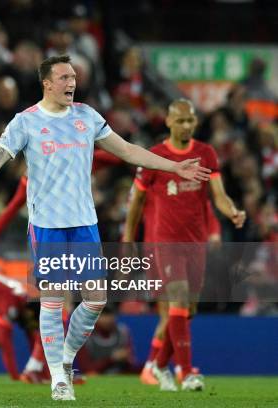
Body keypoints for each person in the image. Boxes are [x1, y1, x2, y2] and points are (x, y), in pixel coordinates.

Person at [0, 55, 211, 401]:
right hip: (47, 227)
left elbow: (127, 150)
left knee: (96, 300)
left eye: (74, 77)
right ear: (47, 83)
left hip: (85, 225)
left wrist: (174, 167)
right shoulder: (26, 122)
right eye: (64, 77)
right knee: (52, 302)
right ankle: (57, 378)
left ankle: (65, 359)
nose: (72, 82)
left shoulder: (87, 116)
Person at [124, 99, 246, 392]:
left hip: (196, 242)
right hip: (164, 241)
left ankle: (158, 364)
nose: (187, 126)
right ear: (168, 121)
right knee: (176, 301)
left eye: (190, 120)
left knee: (187, 311)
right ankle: (187, 371)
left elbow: (218, 194)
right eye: (180, 120)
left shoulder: (206, 154)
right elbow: (137, 201)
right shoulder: (155, 157)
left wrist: (231, 211)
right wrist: (129, 238)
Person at [123, 189, 221, 385]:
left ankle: (167, 365)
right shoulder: (152, 178)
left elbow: (204, 205)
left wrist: (214, 231)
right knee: (171, 312)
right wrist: (127, 241)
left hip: (186, 246)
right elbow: (133, 208)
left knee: (186, 311)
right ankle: (156, 366)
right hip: (157, 248)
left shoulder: (183, 177)